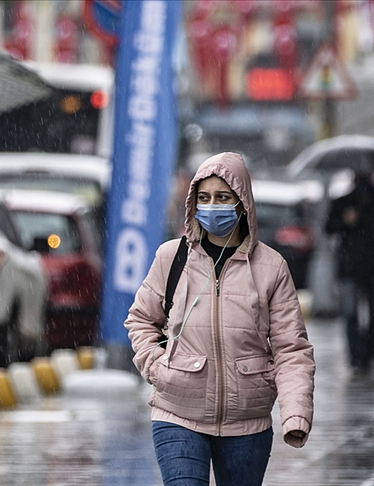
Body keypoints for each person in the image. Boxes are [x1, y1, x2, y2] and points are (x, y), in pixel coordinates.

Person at [124, 152, 315, 486]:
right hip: (177, 412)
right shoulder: (172, 257)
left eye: (223, 197)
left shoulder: (271, 267)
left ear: (242, 203)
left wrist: (295, 412)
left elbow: (291, 349)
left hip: (248, 422)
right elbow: (141, 319)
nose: (212, 206)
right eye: (205, 198)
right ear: (193, 203)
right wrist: (156, 366)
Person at [325, 169, 374, 377]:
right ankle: (357, 358)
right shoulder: (343, 203)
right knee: (351, 314)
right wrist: (345, 221)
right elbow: (329, 227)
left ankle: (368, 354)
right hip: (351, 267)